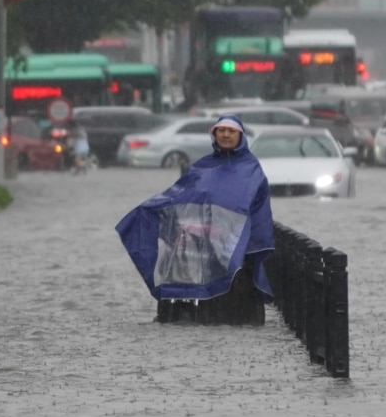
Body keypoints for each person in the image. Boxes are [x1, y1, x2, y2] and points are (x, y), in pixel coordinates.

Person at [115, 114, 274, 325]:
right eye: (221, 130)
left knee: (236, 296)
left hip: (237, 250)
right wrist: (151, 211)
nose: (226, 135)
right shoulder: (202, 167)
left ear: (241, 136)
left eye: (231, 131)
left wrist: (253, 244)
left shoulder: (251, 168)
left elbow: (259, 209)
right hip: (200, 249)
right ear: (214, 134)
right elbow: (179, 195)